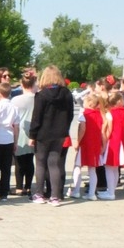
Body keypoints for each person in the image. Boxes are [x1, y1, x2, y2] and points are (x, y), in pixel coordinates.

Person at [29, 65, 75, 206]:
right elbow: (71, 114)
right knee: (54, 164)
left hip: (43, 134)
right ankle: (55, 196)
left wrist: (32, 135)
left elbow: (36, 117)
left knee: (40, 163)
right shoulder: (67, 94)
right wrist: (65, 129)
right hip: (60, 133)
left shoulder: (41, 95)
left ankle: (39, 194)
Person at [98, 91, 124, 200]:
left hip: (112, 143)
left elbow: (108, 131)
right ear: (119, 101)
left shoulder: (110, 113)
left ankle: (111, 192)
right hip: (123, 141)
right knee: (116, 168)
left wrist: (103, 145)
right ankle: (111, 190)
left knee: (109, 168)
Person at [68, 94, 103, 199]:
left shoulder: (84, 114)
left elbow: (82, 129)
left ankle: (76, 191)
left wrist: (77, 141)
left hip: (85, 143)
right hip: (96, 143)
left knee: (77, 166)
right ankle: (92, 193)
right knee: (92, 169)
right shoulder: (100, 114)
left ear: (90, 103)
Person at [0, 83, 20, 201]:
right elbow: (16, 127)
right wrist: (16, 142)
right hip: (9, 139)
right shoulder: (14, 108)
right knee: (6, 168)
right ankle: (4, 194)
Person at [12, 70, 37, 196]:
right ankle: (28, 186)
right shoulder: (38, 98)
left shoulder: (16, 100)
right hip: (34, 132)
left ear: (22, 85)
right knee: (30, 161)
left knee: (19, 162)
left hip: (20, 132)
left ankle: (19, 187)